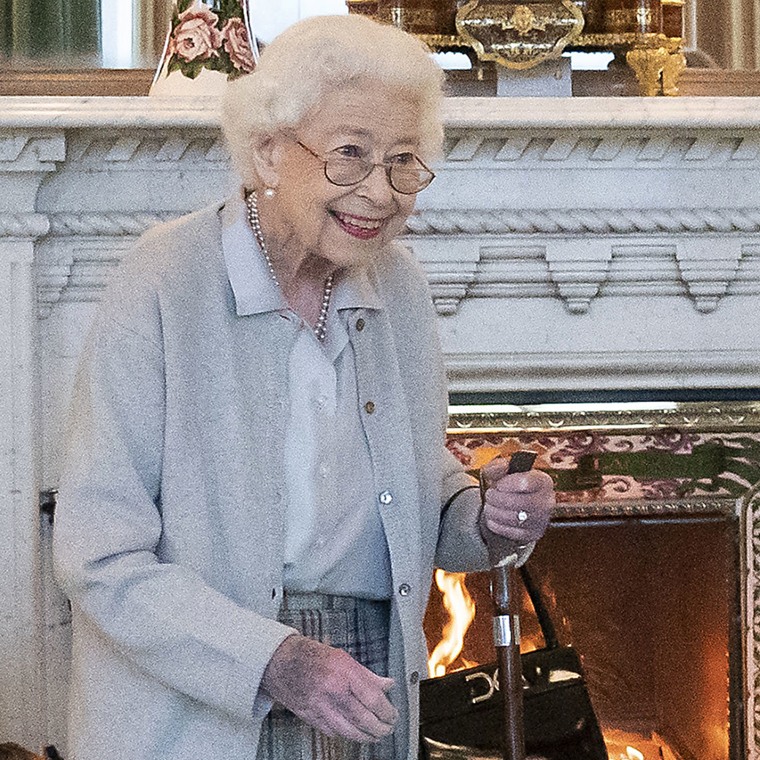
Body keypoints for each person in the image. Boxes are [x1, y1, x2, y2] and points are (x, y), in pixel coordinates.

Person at [52, 13, 555, 760]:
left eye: (404, 161)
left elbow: (418, 488)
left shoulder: (400, 292)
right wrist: (276, 661)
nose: (380, 192)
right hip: (204, 701)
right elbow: (99, 555)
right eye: (350, 155)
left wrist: (484, 519)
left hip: (364, 679)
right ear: (267, 152)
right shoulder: (162, 282)